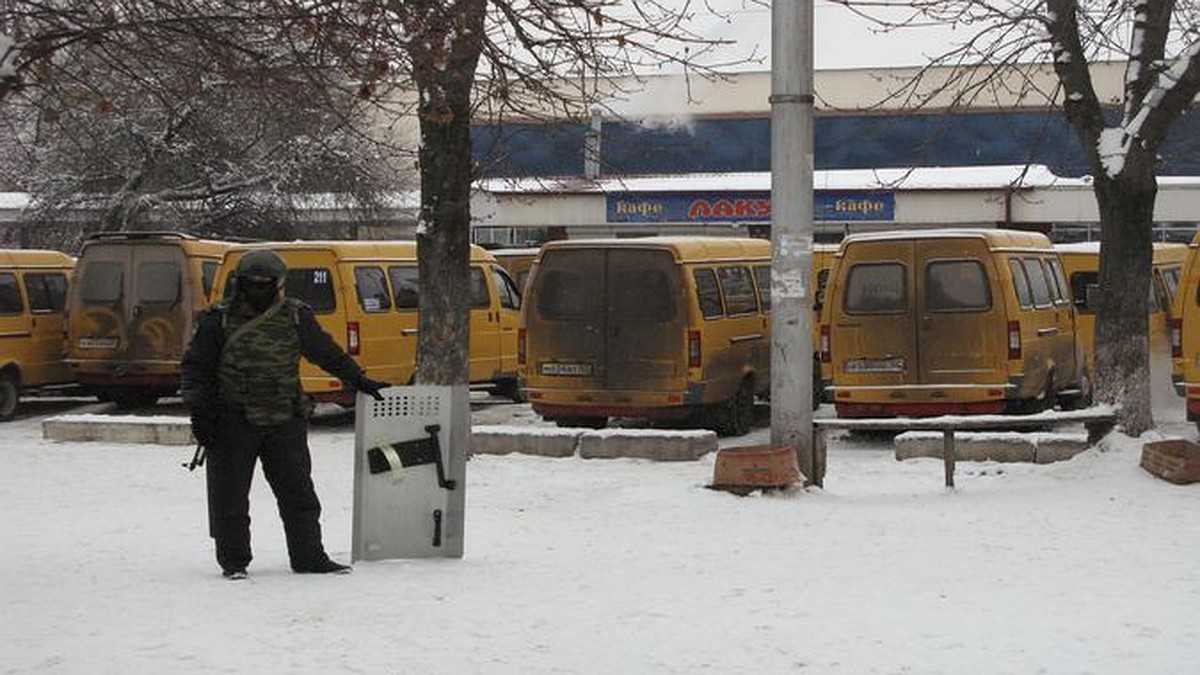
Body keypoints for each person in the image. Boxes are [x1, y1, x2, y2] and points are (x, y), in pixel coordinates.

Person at [181, 249, 388, 580]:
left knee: (299, 495)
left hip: (283, 420)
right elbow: (196, 369)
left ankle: (308, 556)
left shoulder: (294, 316)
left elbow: (326, 352)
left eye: (265, 283)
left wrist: (359, 380)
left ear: (277, 284)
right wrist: (201, 414)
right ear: (240, 283)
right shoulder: (217, 319)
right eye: (252, 283)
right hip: (233, 420)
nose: (258, 288)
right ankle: (234, 561)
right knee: (230, 499)